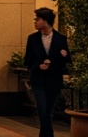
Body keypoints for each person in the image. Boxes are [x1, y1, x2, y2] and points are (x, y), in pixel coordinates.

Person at [24, 7, 70, 137]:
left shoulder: (61, 38)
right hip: (38, 80)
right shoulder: (32, 39)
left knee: (49, 113)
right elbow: (27, 60)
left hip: (54, 81)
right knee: (42, 110)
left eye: (37, 19)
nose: (35, 21)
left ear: (46, 21)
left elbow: (67, 60)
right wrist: (39, 66)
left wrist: (59, 58)